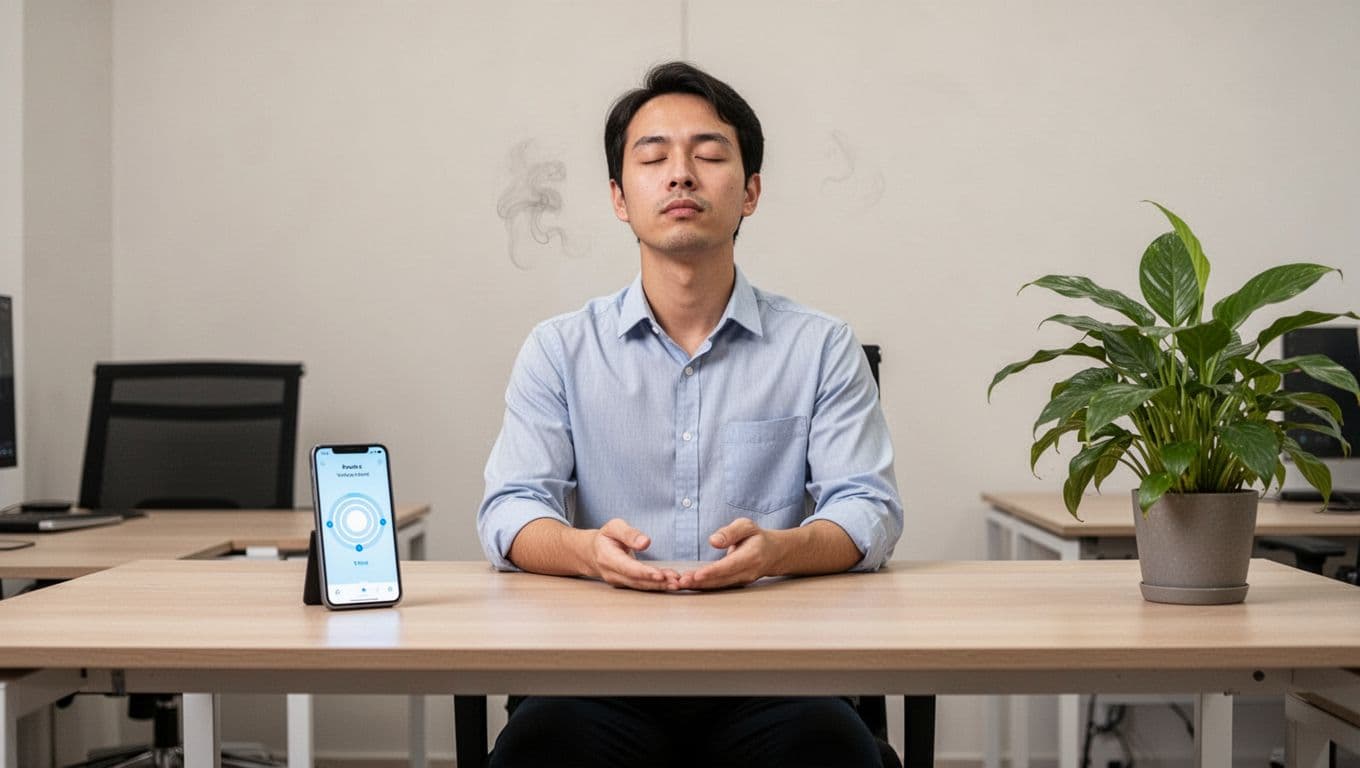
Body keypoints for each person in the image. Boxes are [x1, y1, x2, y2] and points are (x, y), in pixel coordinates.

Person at [477, 61, 903, 768]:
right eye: (653, 157)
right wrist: (586, 552)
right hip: (595, 677)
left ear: (751, 192)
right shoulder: (559, 349)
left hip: (777, 677)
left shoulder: (820, 346)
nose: (681, 174)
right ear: (619, 197)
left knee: (830, 753)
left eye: (708, 155)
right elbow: (509, 509)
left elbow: (869, 509)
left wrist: (781, 549)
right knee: (541, 753)